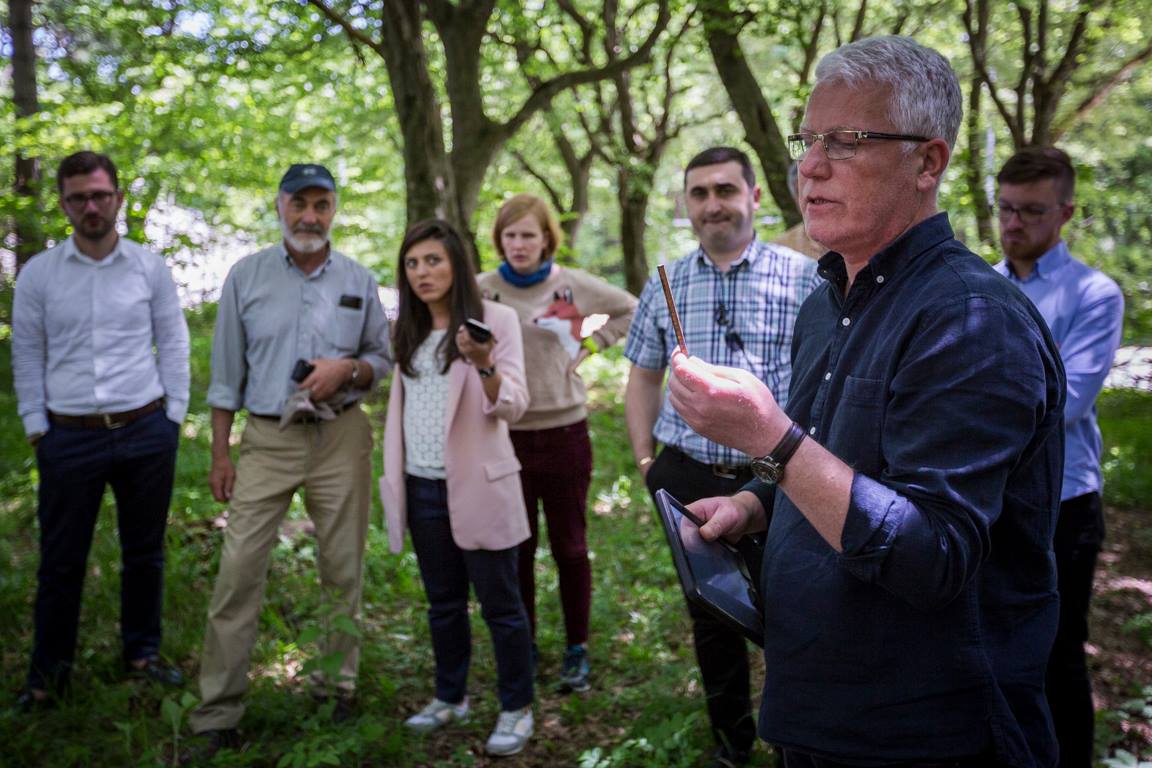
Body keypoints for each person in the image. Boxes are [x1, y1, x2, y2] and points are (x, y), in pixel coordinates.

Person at [666, 37, 1066, 767]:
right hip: (817, 710)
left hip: (924, 735)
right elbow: (840, 463)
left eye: (847, 141)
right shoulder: (827, 301)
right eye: (808, 140)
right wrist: (755, 503)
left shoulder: (973, 320)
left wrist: (771, 441)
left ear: (928, 162)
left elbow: (935, 555)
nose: (811, 166)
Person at [185, 164, 390, 758]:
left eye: (321, 205)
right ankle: (217, 713)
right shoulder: (246, 276)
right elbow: (226, 374)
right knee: (238, 569)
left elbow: (381, 359)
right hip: (268, 437)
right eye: (299, 204)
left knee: (343, 567)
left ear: (334, 210)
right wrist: (221, 453)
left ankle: (336, 690)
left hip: (340, 436)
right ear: (279, 206)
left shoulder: (357, 278)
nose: (309, 217)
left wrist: (347, 369)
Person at [624, 146, 819, 768]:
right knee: (711, 615)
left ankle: (797, 745)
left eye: (725, 190)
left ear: (754, 197)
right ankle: (732, 745)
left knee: (797, 609)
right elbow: (642, 375)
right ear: (686, 204)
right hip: (687, 473)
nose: (713, 204)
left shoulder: (805, 276)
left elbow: (823, 380)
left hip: (781, 476)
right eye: (700, 193)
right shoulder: (668, 282)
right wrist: (646, 461)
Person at [12, 150, 190, 709]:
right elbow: (27, 353)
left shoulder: (149, 268)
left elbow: (173, 340)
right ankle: (47, 679)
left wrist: (174, 416)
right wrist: (37, 427)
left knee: (145, 553)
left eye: (100, 195)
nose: (91, 207)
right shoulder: (39, 274)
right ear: (64, 204)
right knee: (60, 562)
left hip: (145, 428)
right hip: (68, 436)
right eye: (79, 198)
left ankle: (142, 653)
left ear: (118, 198)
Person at [381, 219, 536, 756]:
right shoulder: (405, 329)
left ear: (457, 265)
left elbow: (515, 405)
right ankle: (450, 696)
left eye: (433, 260)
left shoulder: (495, 320)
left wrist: (484, 363)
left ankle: (517, 707)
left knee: (501, 605)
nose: (422, 272)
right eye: (412, 263)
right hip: (421, 487)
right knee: (442, 604)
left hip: (480, 486)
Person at [994, 147, 1124, 768]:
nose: (1013, 223)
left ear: (1066, 212)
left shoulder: (1094, 294)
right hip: (992, 497)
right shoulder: (981, 287)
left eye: (1031, 211)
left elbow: (1065, 402)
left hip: (1065, 501)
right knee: (996, 647)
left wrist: (967, 414)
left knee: (1058, 650)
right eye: (1005, 208)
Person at [477, 193, 637, 693]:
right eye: (510, 235)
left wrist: (591, 345)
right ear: (499, 240)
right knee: (518, 548)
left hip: (565, 432)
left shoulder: (571, 285)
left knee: (570, 546)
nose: (519, 244)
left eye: (528, 234)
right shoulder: (482, 289)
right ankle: (522, 643)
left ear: (547, 238)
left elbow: (630, 308)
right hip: (505, 435)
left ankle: (576, 649)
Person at [771, 163, 824, 260]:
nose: (814, 196)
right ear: (795, 199)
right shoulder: (780, 249)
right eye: (803, 191)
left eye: (820, 187)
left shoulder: (853, 238)